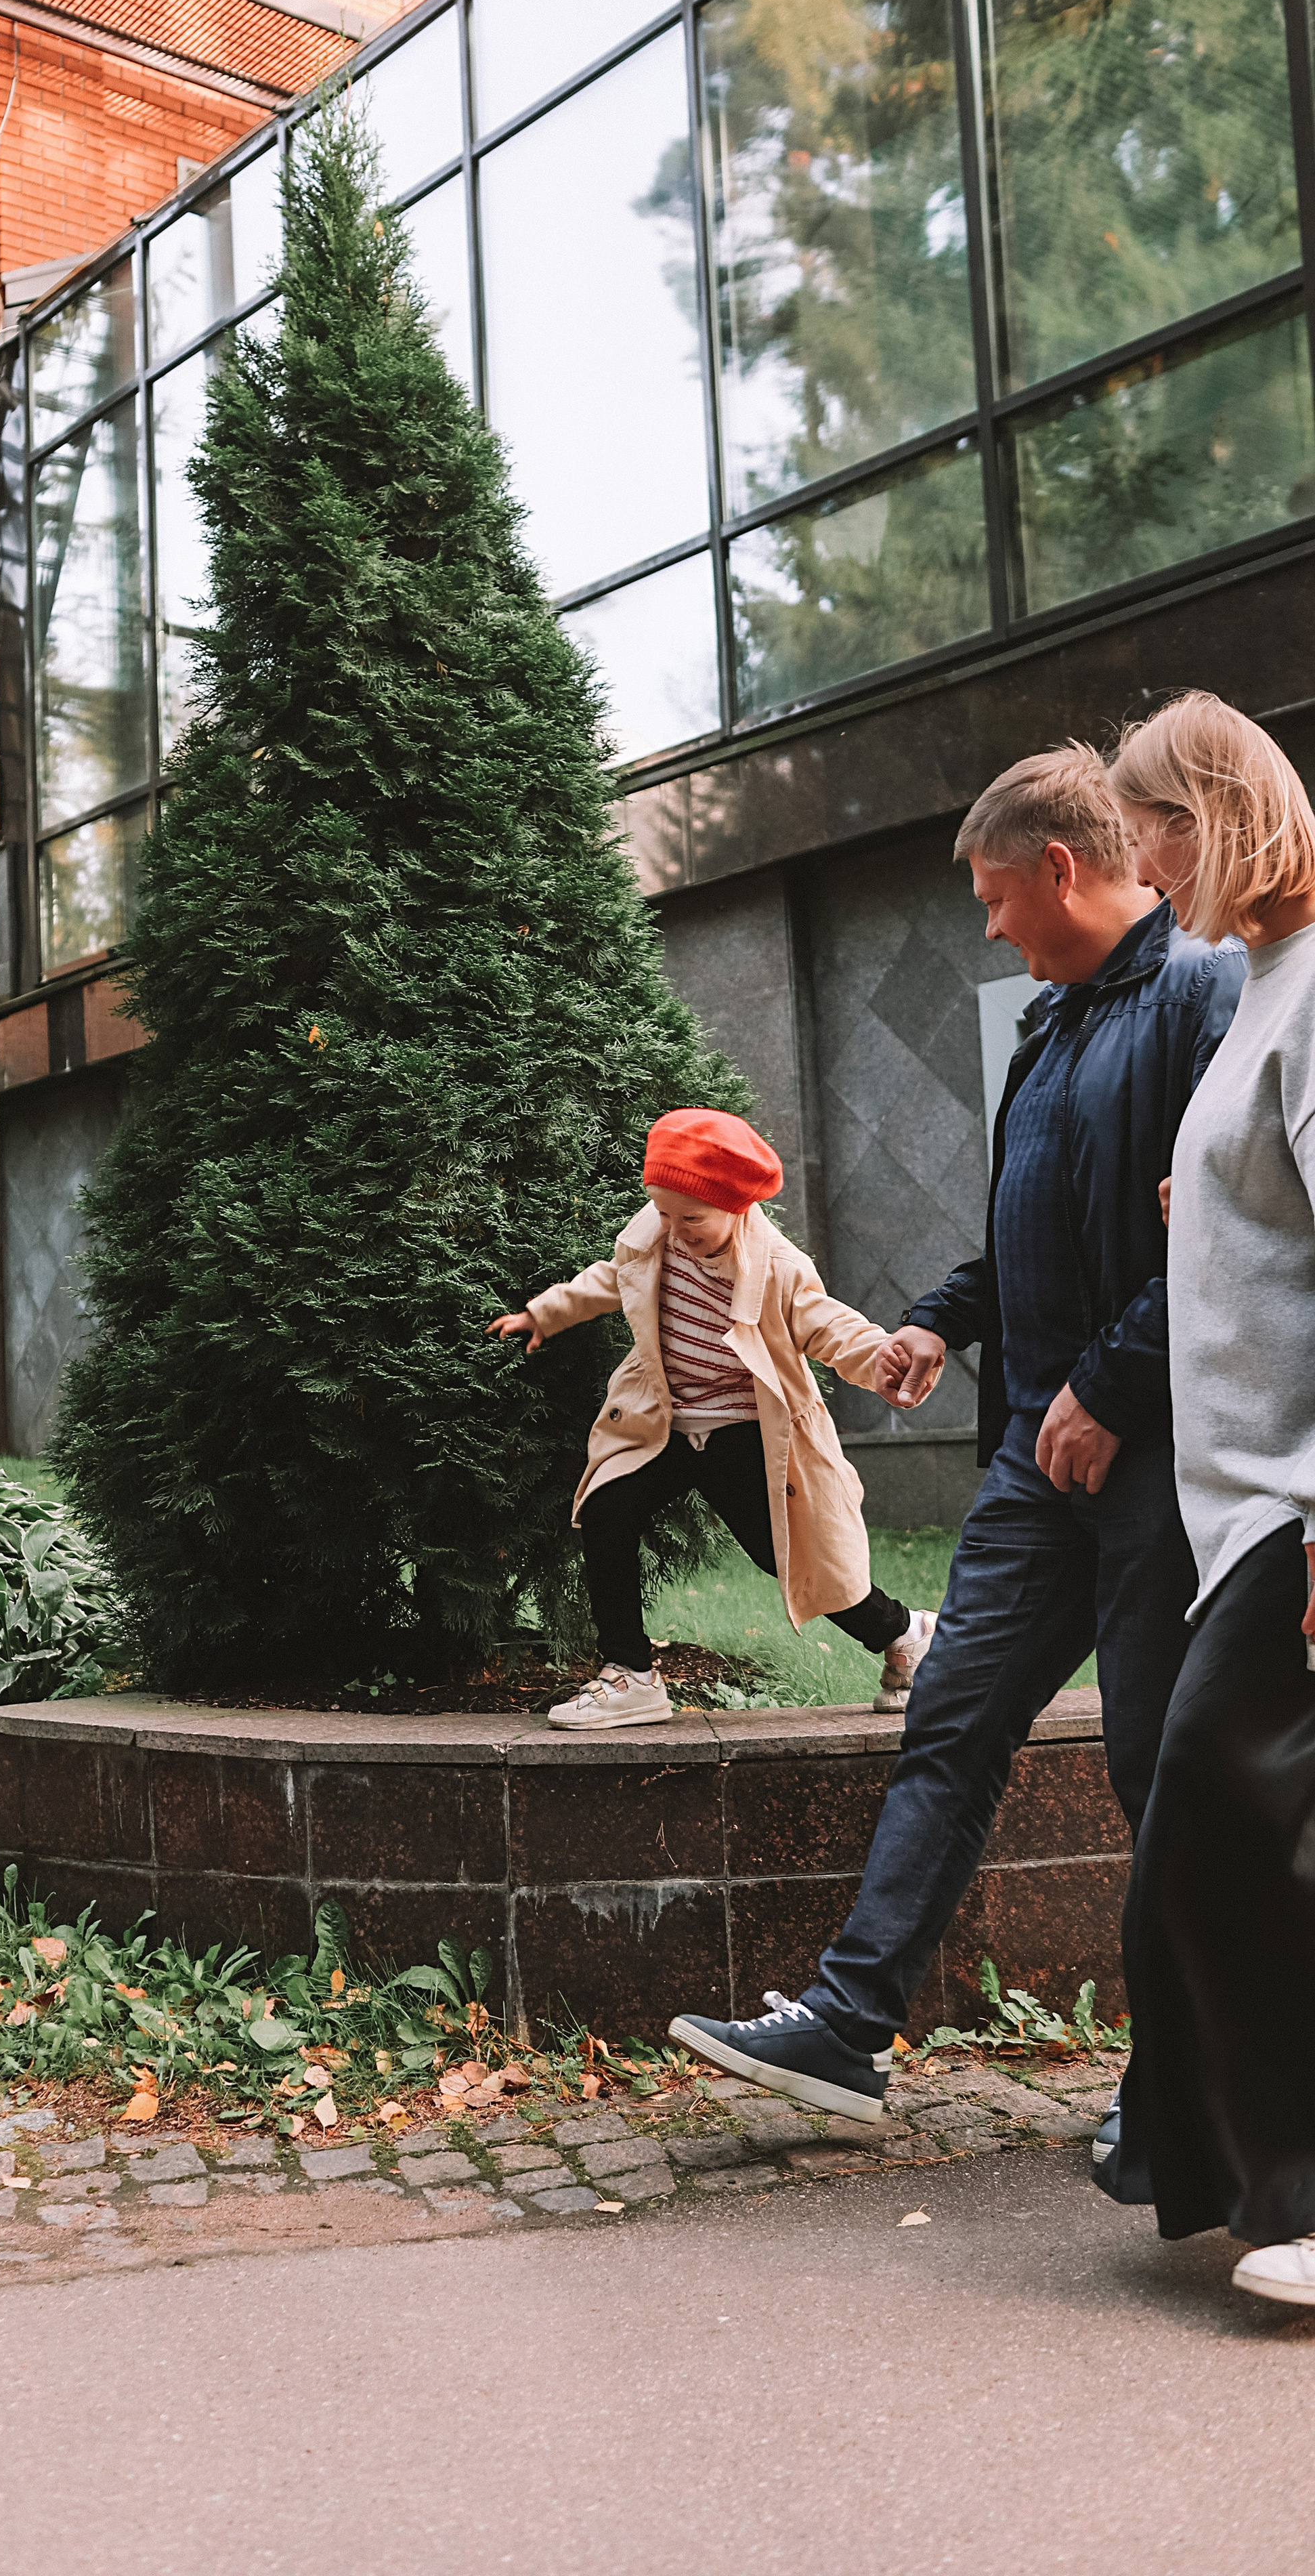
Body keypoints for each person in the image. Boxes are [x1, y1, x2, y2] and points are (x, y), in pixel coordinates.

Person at [666, 743, 1245, 2119]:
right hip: (1034, 1459)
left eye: (994, 897)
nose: (985, 926)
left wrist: (1109, 1389)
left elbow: (1227, 1232)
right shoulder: (1047, 1027)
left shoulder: (1196, 992)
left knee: (1151, 1764)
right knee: (948, 1716)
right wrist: (935, 1319)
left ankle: (1181, 2079)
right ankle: (847, 2024)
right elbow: (1026, 1230)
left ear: (1058, 867)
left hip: (1155, 1458)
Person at [1098, 693, 1315, 2306]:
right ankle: (1224, 2167)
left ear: (1220, 809)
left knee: (1215, 1826)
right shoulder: (1251, 985)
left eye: (1151, 824)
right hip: (1238, 1503)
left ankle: (1288, 2190)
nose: (1137, 858)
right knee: (1231, 1832)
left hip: (1297, 1503)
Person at [486, 1106, 936, 1731]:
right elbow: (612, 1279)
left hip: (745, 1430)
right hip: (662, 1422)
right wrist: (546, 1313)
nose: (675, 1231)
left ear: (738, 1207)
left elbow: (828, 1325)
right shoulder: (655, 1235)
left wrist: (877, 1356)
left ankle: (907, 1633)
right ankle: (631, 1675)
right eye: (664, 1213)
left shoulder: (777, 1268)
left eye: (691, 1218)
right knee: (607, 1510)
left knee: (790, 1557)